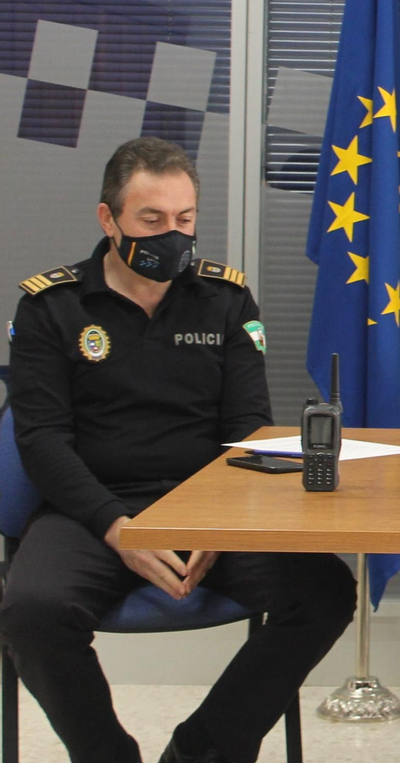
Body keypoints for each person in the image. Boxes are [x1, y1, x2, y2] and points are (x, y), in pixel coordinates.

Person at [1, 138, 355, 763]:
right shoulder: (49, 308)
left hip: (209, 505)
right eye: (152, 220)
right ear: (108, 219)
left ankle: (203, 751)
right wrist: (119, 529)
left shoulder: (225, 300)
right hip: (93, 509)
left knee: (324, 590)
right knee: (31, 610)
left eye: (184, 220)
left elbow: (249, 427)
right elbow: (41, 441)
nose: (173, 235)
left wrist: (219, 519)